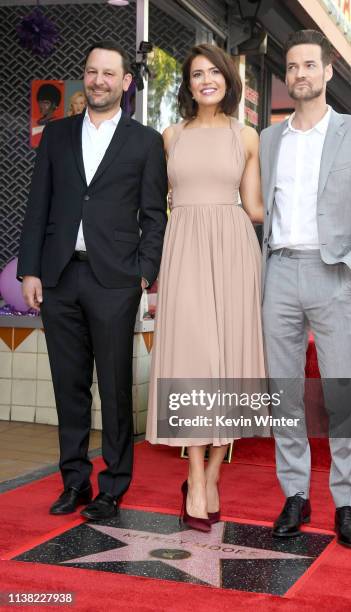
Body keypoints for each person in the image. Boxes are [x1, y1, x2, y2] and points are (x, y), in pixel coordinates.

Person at [18, 40, 167, 521]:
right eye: (91, 71)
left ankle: (113, 484)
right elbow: (37, 205)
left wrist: (144, 273)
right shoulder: (57, 135)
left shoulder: (145, 142)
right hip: (60, 277)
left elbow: (153, 215)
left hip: (115, 280)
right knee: (69, 385)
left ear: (126, 83)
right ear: (84, 76)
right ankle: (74, 481)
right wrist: (30, 269)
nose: (98, 80)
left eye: (109, 73)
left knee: (116, 389)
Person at [260, 30, 351, 548]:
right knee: (283, 393)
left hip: (333, 274)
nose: (300, 75)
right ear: (286, 75)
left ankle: (347, 501)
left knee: (341, 394)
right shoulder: (269, 139)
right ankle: (295, 493)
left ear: (328, 72)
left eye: (309, 65)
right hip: (280, 274)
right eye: (292, 67)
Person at [146, 43, 265, 531]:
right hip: (184, 251)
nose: (206, 80)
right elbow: (156, 203)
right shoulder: (170, 136)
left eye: (214, 71)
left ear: (227, 81)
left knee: (231, 365)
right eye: (197, 74)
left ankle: (214, 472)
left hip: (234, 251)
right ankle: (194, 476)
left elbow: (254, 208)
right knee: (193, 362)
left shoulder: (248, 136)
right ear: (188, 85)